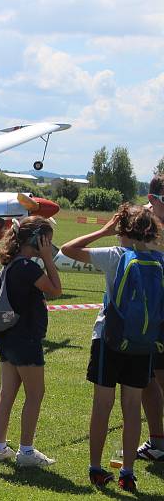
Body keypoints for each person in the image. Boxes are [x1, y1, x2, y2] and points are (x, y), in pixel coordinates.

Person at [61, 204, 163, 492]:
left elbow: (68, 249)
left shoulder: (115, 256)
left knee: (102, 404)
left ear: (123, 230)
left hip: (109, 338)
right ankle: (128, 473)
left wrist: (104, 230)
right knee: (132, 407)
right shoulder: (160, 259)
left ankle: (96, 468)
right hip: (143, 343)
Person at [0, 216, 61, 467]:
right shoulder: (28, 267)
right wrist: (48, 259)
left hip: (8, 338)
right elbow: (55, 289)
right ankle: (26, 452)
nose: (50, 246)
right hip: (25, 338)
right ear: (36, 240)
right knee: (35, 394)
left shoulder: (11, 264)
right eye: (47, 241)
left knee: (6, 394)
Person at [139, 173, 164, 462]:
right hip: (145, 314)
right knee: (144, 379)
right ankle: (157, 442)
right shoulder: (140, 222)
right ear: (151, 199)